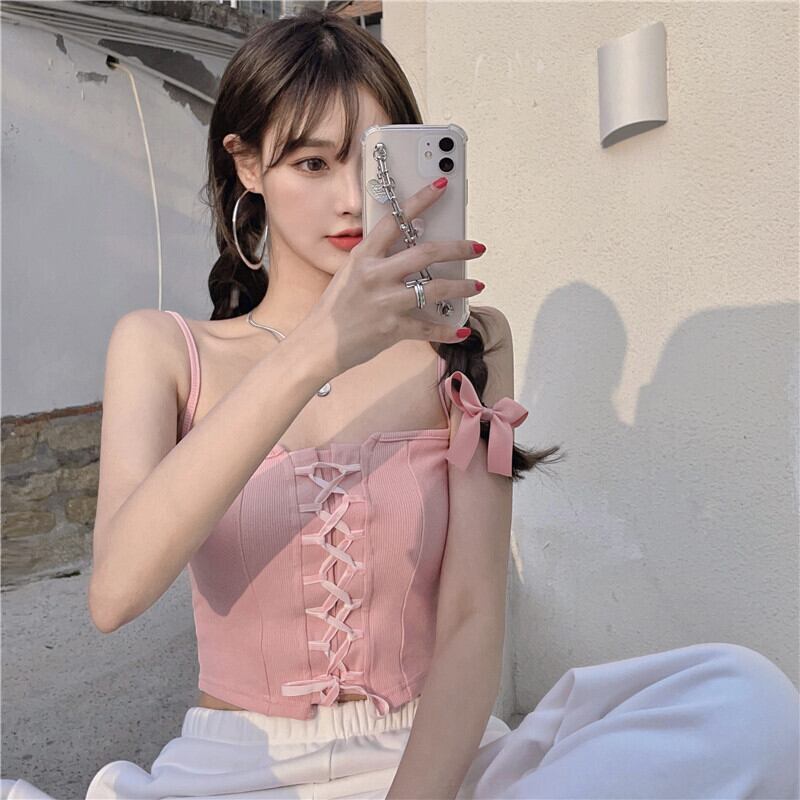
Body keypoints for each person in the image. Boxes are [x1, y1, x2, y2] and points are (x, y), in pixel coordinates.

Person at [3, 9, 798, 800]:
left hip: (436, 761)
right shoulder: (162, 348)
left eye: (375, 164)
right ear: (246, 165)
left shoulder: (467, 344)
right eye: (313, 164)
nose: (353, 199)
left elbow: (474, 617)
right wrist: (317, 349)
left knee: (744, 698)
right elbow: (115, 594)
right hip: (234, 769)